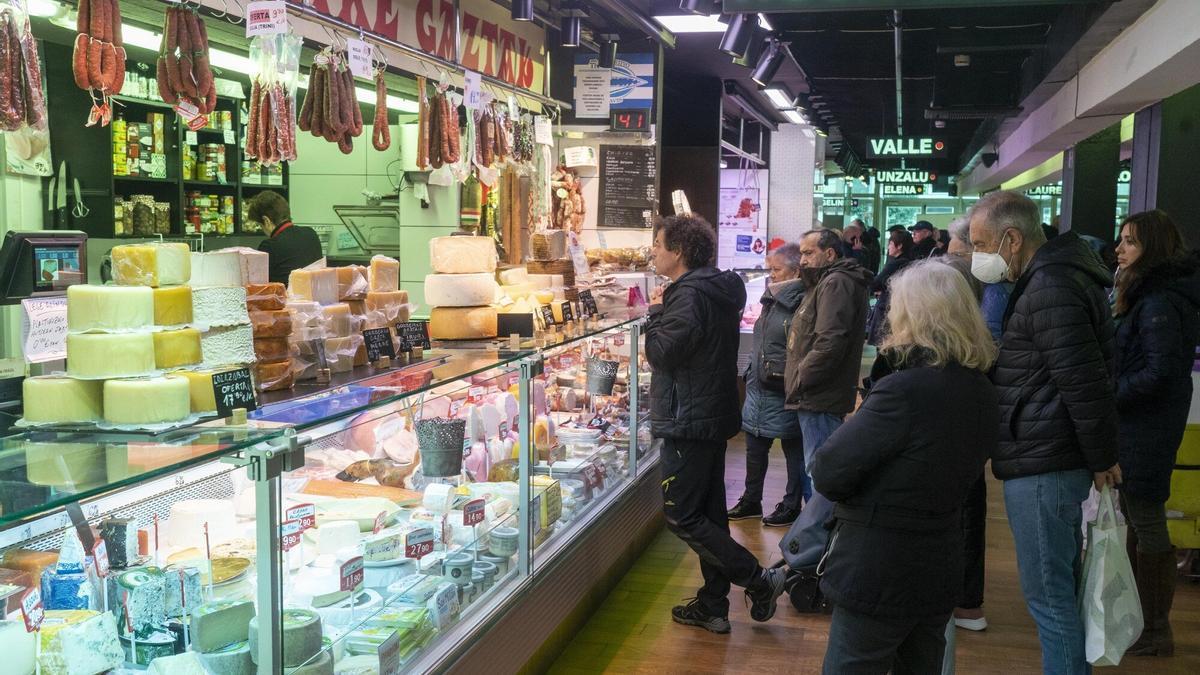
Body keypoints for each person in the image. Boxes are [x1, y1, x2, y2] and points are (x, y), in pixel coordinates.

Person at [813, 260, 999, 675]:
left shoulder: (903, 391)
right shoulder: (982, 389)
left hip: (881, 565)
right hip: (940, 559)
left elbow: (827, 471)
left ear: (912, 314)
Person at [969, 191, 1120, 675]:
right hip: (1048, 452)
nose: (977, 256)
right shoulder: (1055, 278)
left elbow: (1083, 381)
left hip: (1045, 461)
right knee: (1060, 591)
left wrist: (1102, 459)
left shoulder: (1049, 286)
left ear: (1011, 240)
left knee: (1049, 598)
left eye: (980, 243)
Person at [645, 214, 785, 634]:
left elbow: (663, 353)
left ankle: (759, 580)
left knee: (681, 516)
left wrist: (654, 314)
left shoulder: (686, 297)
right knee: (709, 513)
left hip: (688, 419)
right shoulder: (715, 288)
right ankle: (712, 605)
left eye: (657, 243)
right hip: (708, 412)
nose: (652, 250)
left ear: (679, 252)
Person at [1112, 210, 1200, 657]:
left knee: (1146, 518)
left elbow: (1159, 372)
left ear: (1154, 249)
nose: (1120, 248)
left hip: (1145, 426)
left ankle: (1154, 628)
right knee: (1138, 515)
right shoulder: (1153, 295)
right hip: (1144, 423)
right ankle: (1141, 620)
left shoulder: (1158, 301)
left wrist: (1111, 394)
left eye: (1130, 241)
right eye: (1121, 239)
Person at [780, 229, 874, 567]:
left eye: (808, 253)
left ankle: (813, 554)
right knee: (820, 471)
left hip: (818, 396)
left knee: (821, 474)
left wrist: (800, 381)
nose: (802, 260)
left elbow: (830, 342)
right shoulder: (830, 282)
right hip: (818, 395)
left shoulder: (835, 284)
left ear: (830, 254)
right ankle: (817, 548)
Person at [729, 244, 811, 527]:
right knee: (754, 446)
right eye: (769, 269)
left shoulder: (802, 301)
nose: (770, 275)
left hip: (783, 386)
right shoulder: (771, 298)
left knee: (793, 451)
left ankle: (791, 505)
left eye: (776, 269)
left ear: (796, 270)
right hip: (759, 386)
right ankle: (751, 500)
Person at [248, 190, 323, 284]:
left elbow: (258, 287)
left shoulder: (269, 246)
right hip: (315, 298)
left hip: (285, 298)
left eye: (260, 225)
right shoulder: (311, 234)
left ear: (266, 221)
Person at [867, 229, 914, 346]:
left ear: (899, 246)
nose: (888, 247)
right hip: (900, 306)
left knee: (883, 344)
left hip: (887, 307)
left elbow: (875, 284)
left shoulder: (896, 263)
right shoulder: (911, 260)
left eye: (890, 244)